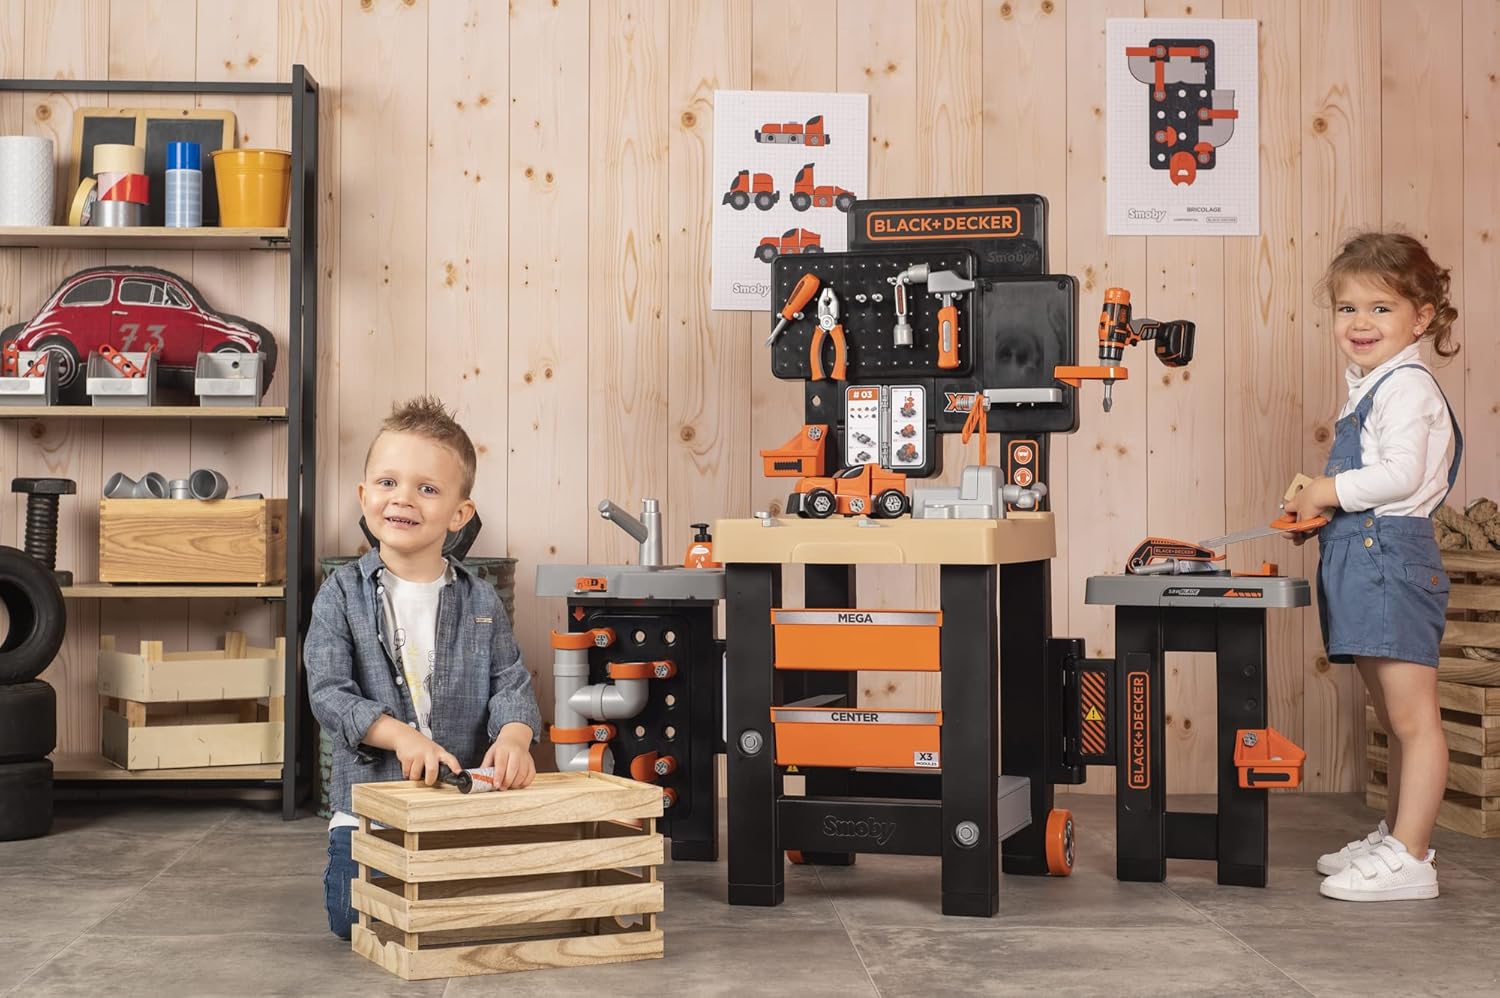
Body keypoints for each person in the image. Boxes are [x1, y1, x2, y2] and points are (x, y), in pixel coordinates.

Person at [306, 396, 542, 938]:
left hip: (459, 803)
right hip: (371, 806)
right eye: (387, 483)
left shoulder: (481, 600)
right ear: (364, 496)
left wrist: (513, 738)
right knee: (356, 918)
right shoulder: (340, 595)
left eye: (427, 488)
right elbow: (328, 692)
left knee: (488, 908)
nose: (402, 499)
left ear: (460, 514)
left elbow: (511, 681)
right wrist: (399, 737)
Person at [1283, 232, 1462, 902]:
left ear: (1421, 317)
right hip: (1363, 554)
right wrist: (1325, 511)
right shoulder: (1371, 387)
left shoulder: (1407, 387)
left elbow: (1400, 475)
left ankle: (1412, 857)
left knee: (1414, 719)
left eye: (1381, 309)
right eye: (1347, 308)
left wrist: (1327, 492)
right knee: (1390, 714)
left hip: (1391, 557)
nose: (1360, 323)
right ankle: (1397, 834)